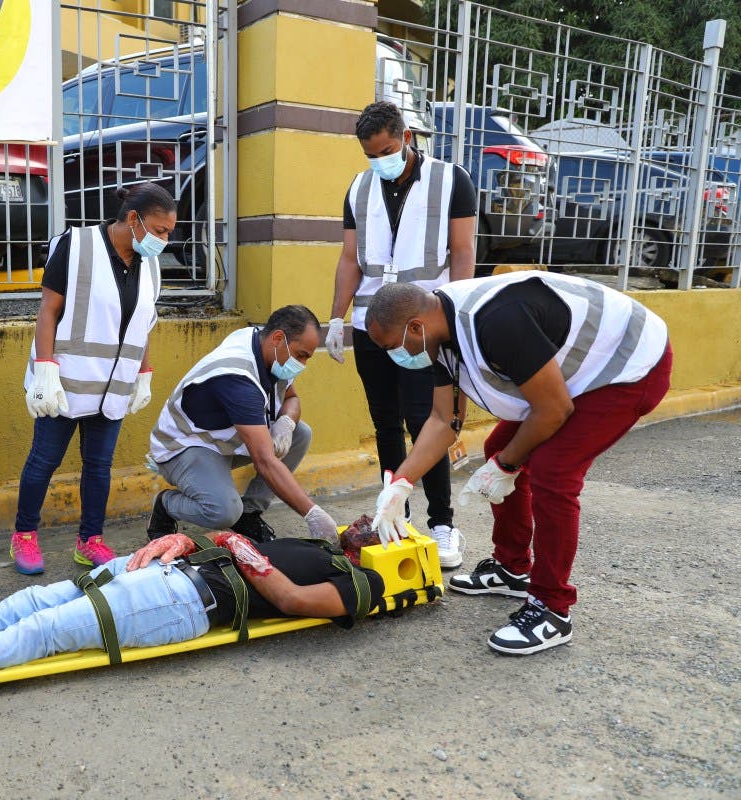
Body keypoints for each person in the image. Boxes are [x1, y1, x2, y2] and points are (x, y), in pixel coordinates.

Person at [364, 274, 671, 655]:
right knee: (500, 444)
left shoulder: (498, 321)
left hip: (629, 365)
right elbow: (445, 422)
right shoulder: (436, 336)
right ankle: (513, 569)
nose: (393, 357)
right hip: (577, 375)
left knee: (552, 472)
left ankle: (552, 609)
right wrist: (401, 484)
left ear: (414, 326)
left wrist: (507, 466)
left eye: (391, 346)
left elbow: (554, 410)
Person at [0, 531, 385, 694]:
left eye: (383, 526)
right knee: (20, 604)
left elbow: (291, 601)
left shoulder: (362, 580)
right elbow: (222, 540)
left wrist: (240, 547)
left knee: (37, 633)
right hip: (160, 572)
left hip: (185, 605)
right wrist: (190, 541)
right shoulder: (322, 545)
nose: (367, 524)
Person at [325, 100, 477, 569]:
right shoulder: (359, 186)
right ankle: (397, 517)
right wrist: (336, 317)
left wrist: (455, 321)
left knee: (428, 422)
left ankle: (443, 524)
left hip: (425, 326)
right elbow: (351, 258)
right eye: (372, 155)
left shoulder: (451, 180)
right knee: (386, 424)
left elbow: (463, 251)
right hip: (374, 326)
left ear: (407, 135)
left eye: (388, 150)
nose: (381, 161)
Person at [11, 182, 174, 574]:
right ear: (133, 219)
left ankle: (90, 540)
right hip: (65, 380)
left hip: (113, 384)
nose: (165, 240)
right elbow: (49, 310)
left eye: (169, 231)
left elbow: (143, 322)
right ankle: (24, 535)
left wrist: (144, 371)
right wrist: (46, 369)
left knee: (99, 465)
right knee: (44, 460)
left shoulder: (148, 261)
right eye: (160, 230)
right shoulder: (77, 245)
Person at [146, 305, 341, 544]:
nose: (303, 363)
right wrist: (312, 514)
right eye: (302, 355)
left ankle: (249, 514)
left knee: (300, 433)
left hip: (228, 438)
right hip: (187, 445)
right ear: (278, 338)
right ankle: (166, 504)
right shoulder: (237, 377)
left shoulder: (266, 345)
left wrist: (286, 422)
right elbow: (265, 461)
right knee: (223, 511)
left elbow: (292, 398)